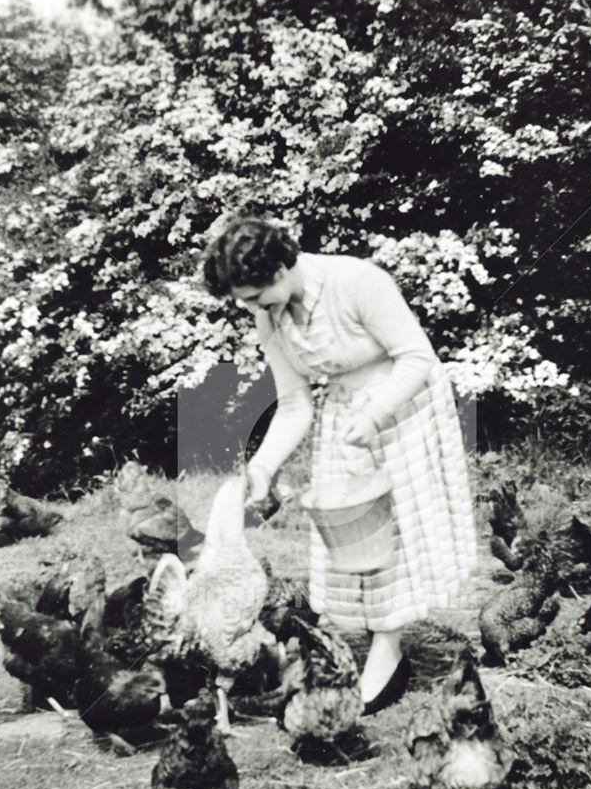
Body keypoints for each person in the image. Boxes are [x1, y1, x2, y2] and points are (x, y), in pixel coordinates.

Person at [203, 215, 478, 714]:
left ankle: (389, 652)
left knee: (393, 538)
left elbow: (419, 358)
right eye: (245, 300)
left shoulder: (358, 282)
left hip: (402, 407)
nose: (252, 308)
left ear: (282, 266)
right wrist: (261, 467)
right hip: (344, 416)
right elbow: (294, 403)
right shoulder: (271, 314)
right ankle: (380, 639)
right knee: (350, 533)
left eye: (255, 296)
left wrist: (374, 415)